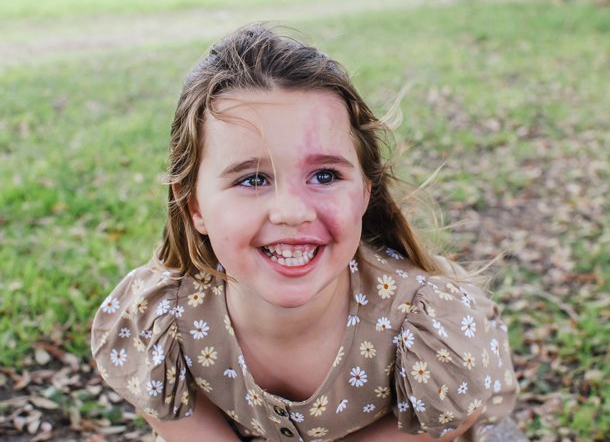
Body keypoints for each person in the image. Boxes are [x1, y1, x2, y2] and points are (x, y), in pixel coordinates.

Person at [91, 25, 518, 442]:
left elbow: (449, 419)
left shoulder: (418, 321)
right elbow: (170, 413)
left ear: (365, 191)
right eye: (253, 179)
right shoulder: (165, 316)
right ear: (194, 205)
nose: (292, 212)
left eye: (326, 174)